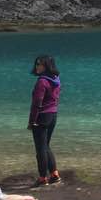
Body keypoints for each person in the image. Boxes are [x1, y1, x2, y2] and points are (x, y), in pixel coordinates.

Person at [28, 55, 62, 186]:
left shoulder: (42, 81)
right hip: (53, 115)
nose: (37, 66)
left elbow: (37, 103)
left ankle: (42, 178)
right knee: (46, 145)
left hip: (42, 116)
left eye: (40, 64)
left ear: (47, 66)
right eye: (36, 64)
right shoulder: (56, 79)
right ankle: (54, 175)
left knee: (40, 148)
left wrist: (32, 121)